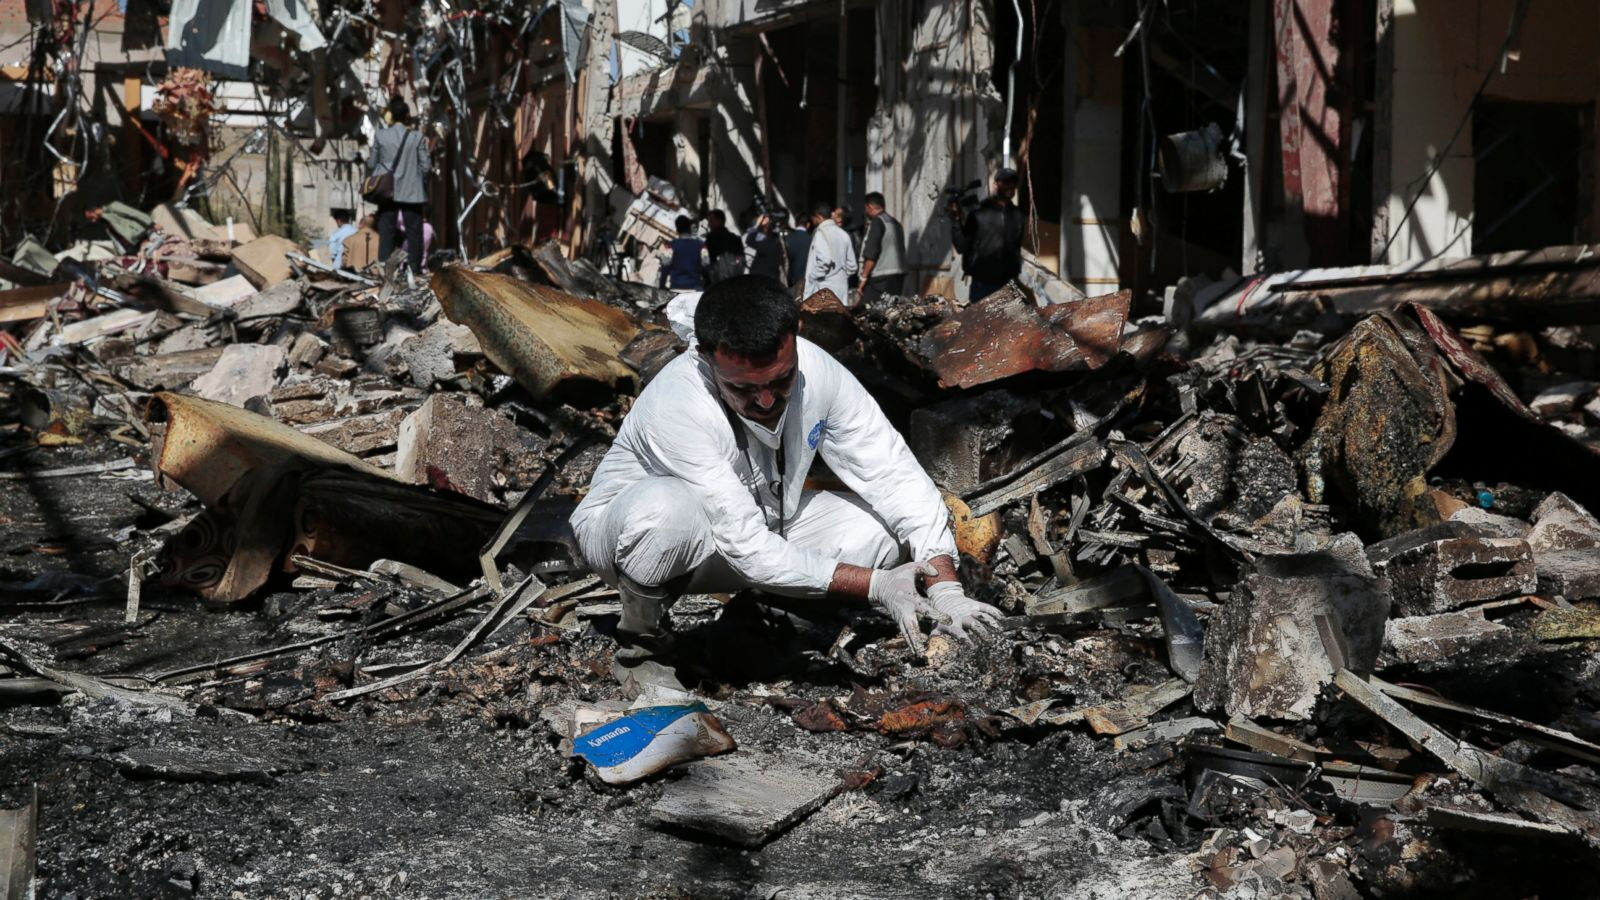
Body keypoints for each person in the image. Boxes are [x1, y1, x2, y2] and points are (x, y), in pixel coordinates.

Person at [570, 276, 1002, 689]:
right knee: (667, 511)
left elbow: (893, 472)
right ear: (705, 356)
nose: (765, 400)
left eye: (780, 381)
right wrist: (876, 585)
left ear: (794, 336)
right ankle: (642, 653)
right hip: (635, 541)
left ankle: (752, 632)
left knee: (878, 533)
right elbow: (746, 545)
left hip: (759, 525)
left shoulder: (818, 370)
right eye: (743, 388)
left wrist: (945, 588)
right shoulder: (679, 403)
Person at [368, 96, 431, 275]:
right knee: (414, 233)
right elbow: (426, 166)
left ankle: (385, 270)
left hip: (388, 190)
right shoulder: (417, 137)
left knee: (386, 230)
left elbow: (372, 163)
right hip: (412, 191)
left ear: (391, 116)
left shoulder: (381, 135)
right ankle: (414, 269)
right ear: (406, 116)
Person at [948, 167, 1024, 301]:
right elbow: (961, 246)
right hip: (982, 286)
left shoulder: (1018, 215)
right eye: (1005, 182)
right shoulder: (978, 213)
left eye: (1013, 182)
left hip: (1010, 285)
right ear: (995, 185)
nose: (1010, 186)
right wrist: (956, 221)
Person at [857, 192, 908, 304]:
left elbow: (872, 253)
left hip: (880, 279)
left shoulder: (877, 222)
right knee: (891, 312)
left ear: (869, 207)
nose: (865, 212)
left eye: (865, 208)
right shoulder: (895, 223)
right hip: (898, 277)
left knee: (867, 312)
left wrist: (863, 279)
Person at [803, 201, 857, 303]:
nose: (812, 221)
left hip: (824, 289)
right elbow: (852, 266)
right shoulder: (844, 234)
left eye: (813, 218)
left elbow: (825, 260)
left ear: (818, 216)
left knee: (823, 318)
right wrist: (840, 276)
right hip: (841, 289)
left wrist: (813, 276)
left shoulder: (821, 233)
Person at [659, 215, 708, 290]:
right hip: (696, 288)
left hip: (676, 288)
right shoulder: (700, 245)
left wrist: (662, 286)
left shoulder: (671, 246)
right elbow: (706, 266)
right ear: (689, 228)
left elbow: (665, 267)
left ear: (677, 230)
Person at [703, 210, 745, 284]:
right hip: (735, 281)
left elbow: (705, 262)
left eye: (711, 221)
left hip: (719, 283)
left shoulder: (711, 239)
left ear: (720, 220)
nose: (709, 224)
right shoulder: (735, 238)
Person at [744, 211, 785, 282]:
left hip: (761, 280)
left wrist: (757, 225)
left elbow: (749, 239)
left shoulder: (769, 243)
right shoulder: (776, 243)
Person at [784, 210, 813, 293]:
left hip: (791, 281)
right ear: (808, 225)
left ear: (795, 224)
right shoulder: (812, 239)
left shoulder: (787, 239)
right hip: (807, 282)